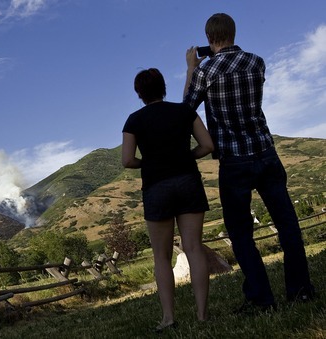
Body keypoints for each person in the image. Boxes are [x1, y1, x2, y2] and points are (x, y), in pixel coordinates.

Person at [183, 13, 315, 314]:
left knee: (241, 233)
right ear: (232, 32)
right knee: (287, 224)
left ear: (208, 39)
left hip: (234, 160)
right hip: (265, 152)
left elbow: (187, 109)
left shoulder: (206, 71)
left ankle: (261, 298)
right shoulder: (257, 62)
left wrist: (192, 69)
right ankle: (301, 290)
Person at [122, 68, 214, 331]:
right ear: (164, 87)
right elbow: (207, 145)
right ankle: (202, 315)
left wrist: (149, 162)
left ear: (139, 93)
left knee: (161, 257)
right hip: (188, 181)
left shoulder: (134, 120)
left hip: (156, 187)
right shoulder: (184, 111)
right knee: (194, 248)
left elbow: (127, 160)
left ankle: (168, 317)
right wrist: (186, 157)